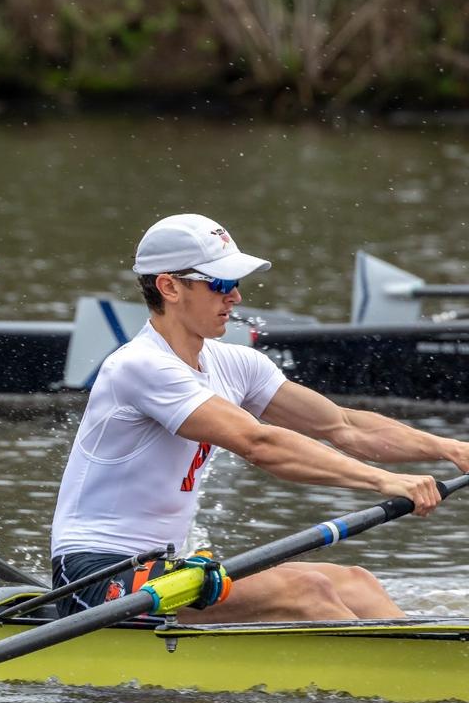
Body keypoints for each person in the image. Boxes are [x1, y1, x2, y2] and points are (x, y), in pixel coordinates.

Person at [51, 213, 469, 622]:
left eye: (236, 284)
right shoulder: (141, 366)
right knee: (307, 592)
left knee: (356, 582)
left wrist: (450, 449)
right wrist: (385, 481)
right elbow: (259, 444)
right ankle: (388, 682)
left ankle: (426, 669)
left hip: (165, 571)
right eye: (221, 284)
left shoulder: (237, 364)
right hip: (96, 577)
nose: (235, 297)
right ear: (169, 287)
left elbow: (343, 426)